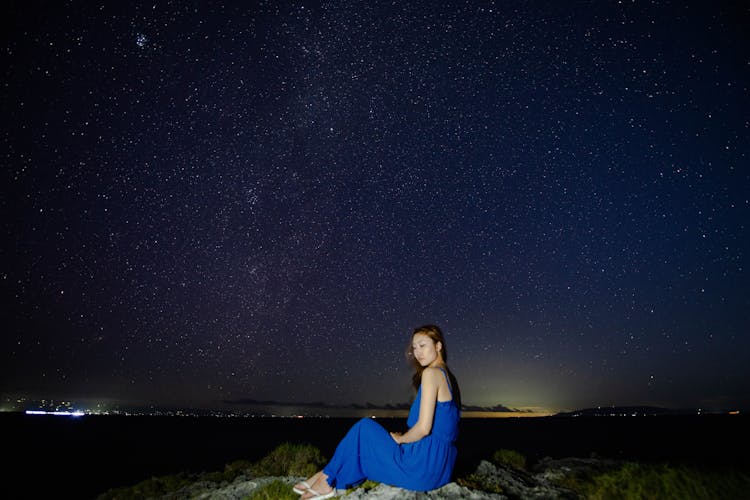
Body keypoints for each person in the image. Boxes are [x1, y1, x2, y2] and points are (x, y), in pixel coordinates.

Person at [293, 325, 461, 499]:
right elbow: (440, 427)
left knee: (364, 427)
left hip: (421, 466)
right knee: (369, 444)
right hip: (441, 468)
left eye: (422, 345)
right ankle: (326, 476)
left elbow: (424, 428)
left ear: (438, 346)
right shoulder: (450, 377)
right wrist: (403, 439)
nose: (417, 352)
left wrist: (402, 439)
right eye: (414, 348)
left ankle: (326, 480)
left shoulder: (431, 374)